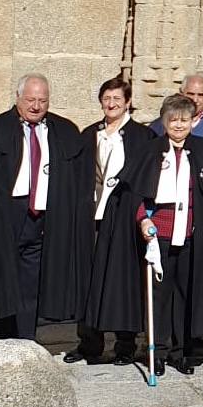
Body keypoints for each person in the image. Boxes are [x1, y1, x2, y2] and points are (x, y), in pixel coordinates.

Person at [0, 73, 90, 342]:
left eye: (42, 100)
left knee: (31, 282)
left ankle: (26, 340)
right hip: (5, 215)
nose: (36, 106)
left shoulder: (62, 131)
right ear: (18, 98)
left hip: (41, 217)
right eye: (30, 99)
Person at [133, 95, 203, 376]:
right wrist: (143, 220)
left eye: (184, 120)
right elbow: (136, 194)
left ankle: (182, 351)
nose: (179, 125)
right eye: (173, 120)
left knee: (187, 294)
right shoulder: (151, 150)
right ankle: (159, 351)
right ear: (164, 122)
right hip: (160, 234)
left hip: (192, 236)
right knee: (160, 295)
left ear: (193, 121)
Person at [65, 77, 155, 365]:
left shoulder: (142, 137)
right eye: (107, 98)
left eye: (117, 98)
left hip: (124, 218)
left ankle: (125, 345)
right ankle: (89, 343)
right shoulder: (90, 134)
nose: (112, 103)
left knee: (121, 279)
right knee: (89, 279)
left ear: (127, 101)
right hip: (92, 215)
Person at [150, 74, 203, 152]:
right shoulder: (157, 126)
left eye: (200, 95)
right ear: (181, 92)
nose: (195, 99)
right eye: (190, 94)